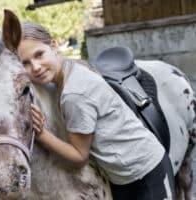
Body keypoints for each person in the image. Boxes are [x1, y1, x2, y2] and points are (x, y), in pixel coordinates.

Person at [16, 21, 175, 200]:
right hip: (122, 178)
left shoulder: (73, 94)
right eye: (25, 63)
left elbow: (79, 155)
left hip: (147, 171)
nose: (35, 67)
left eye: (39, 54)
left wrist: (42, 135)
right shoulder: (71, 68)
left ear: (53, 46)